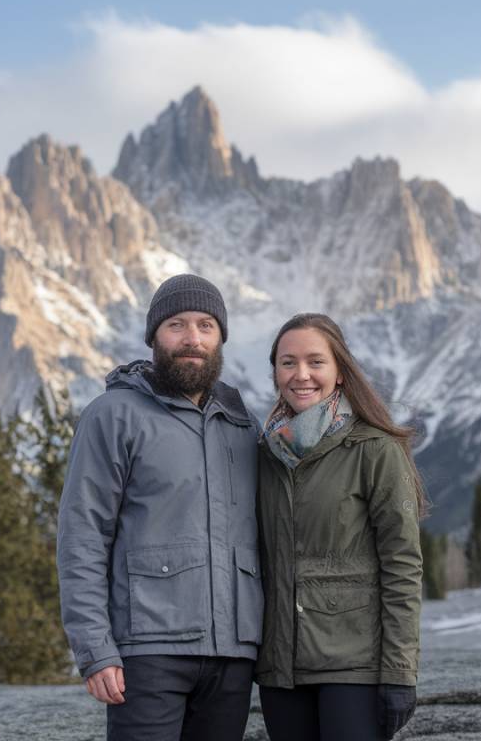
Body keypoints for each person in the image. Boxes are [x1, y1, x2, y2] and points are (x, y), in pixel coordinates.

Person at [57, 274, 263, 741]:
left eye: (206, 326)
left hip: (233, 656)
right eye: (177, 325)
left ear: (221, 338)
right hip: (147, 652)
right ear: (153, 336)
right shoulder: (112, 416)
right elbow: (83, 537)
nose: (192, 338)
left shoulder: (243, 425)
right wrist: (95, 649)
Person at [256, 313, 425, 741]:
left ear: (339, 372)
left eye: (316, 362)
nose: (301, 375)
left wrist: (400, 672)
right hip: (281, 666)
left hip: (355, 663)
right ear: (275, 372)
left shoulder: (375, 449)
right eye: (288, 362)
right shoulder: (265, 454)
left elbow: (402, 566)